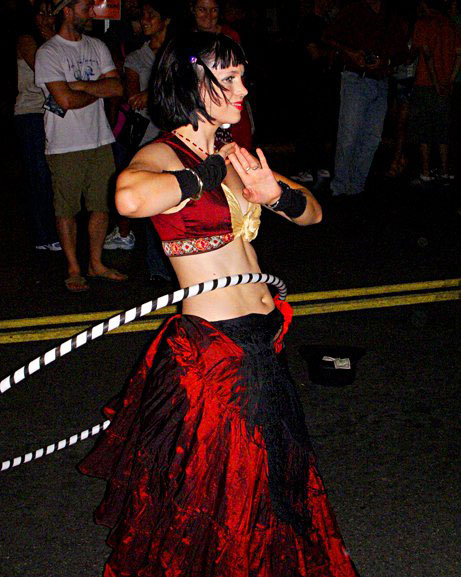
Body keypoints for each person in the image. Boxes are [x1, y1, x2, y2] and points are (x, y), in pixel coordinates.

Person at [79, 32, 360, 577]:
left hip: (262, 341)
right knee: (234, 490)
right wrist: (198, 177)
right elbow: (130, 197)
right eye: (228, 79)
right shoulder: (163, 152)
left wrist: (274, 195)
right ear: (191, 84)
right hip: (216, 348)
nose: (243, 88)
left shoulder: (233, 155)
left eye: (241, 75)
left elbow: (314, 215)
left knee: (272, 482)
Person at [34, 0, 128, 292]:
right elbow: (65, 101)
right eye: (85, 7)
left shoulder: (97, 46)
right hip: (64, 144)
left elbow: (117, 88)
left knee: (101, 204)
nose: (91, 12)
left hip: (100, 139)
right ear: (67, 10)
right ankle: (74, 268)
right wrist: (94, 90)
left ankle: (96, 263)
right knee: (67, 208)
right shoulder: (48, 53)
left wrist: (79, 86)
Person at [323, 0, 408, 197]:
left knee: (372, 138)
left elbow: (402, 51)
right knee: (349, 136)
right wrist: (352, 53)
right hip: (355, 79)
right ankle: (340, 187)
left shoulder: (390, 14)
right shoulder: (353, 10)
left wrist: (385, 60)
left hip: (381, 80)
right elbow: (328, 36)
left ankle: (356, 187)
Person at [15, 0, 61, 251]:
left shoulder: (54, 40)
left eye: (50, 13)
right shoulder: (27, 39)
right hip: (31, 112)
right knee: (38, 173)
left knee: (51, 173)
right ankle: (43, 235)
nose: (46, 18)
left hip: (51, 113)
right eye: (41, 14)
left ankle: (51, 230)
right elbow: (45, 69)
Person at [408, 0, 461, 186]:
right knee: (442, 128)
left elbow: (425, 52)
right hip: (445, 84)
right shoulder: (451, 25)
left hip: (426, 83)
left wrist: (436, 81)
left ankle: (425, 172)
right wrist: (450, 80)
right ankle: (445, 171)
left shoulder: (423, 24)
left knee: (423, 128)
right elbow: (458, 54)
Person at [190, 0, 254, 149]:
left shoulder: (230, 36)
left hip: (228, 103)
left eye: (214, 10)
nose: (208, 15)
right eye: (202, 9)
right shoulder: (184, 40)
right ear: (192, 10)